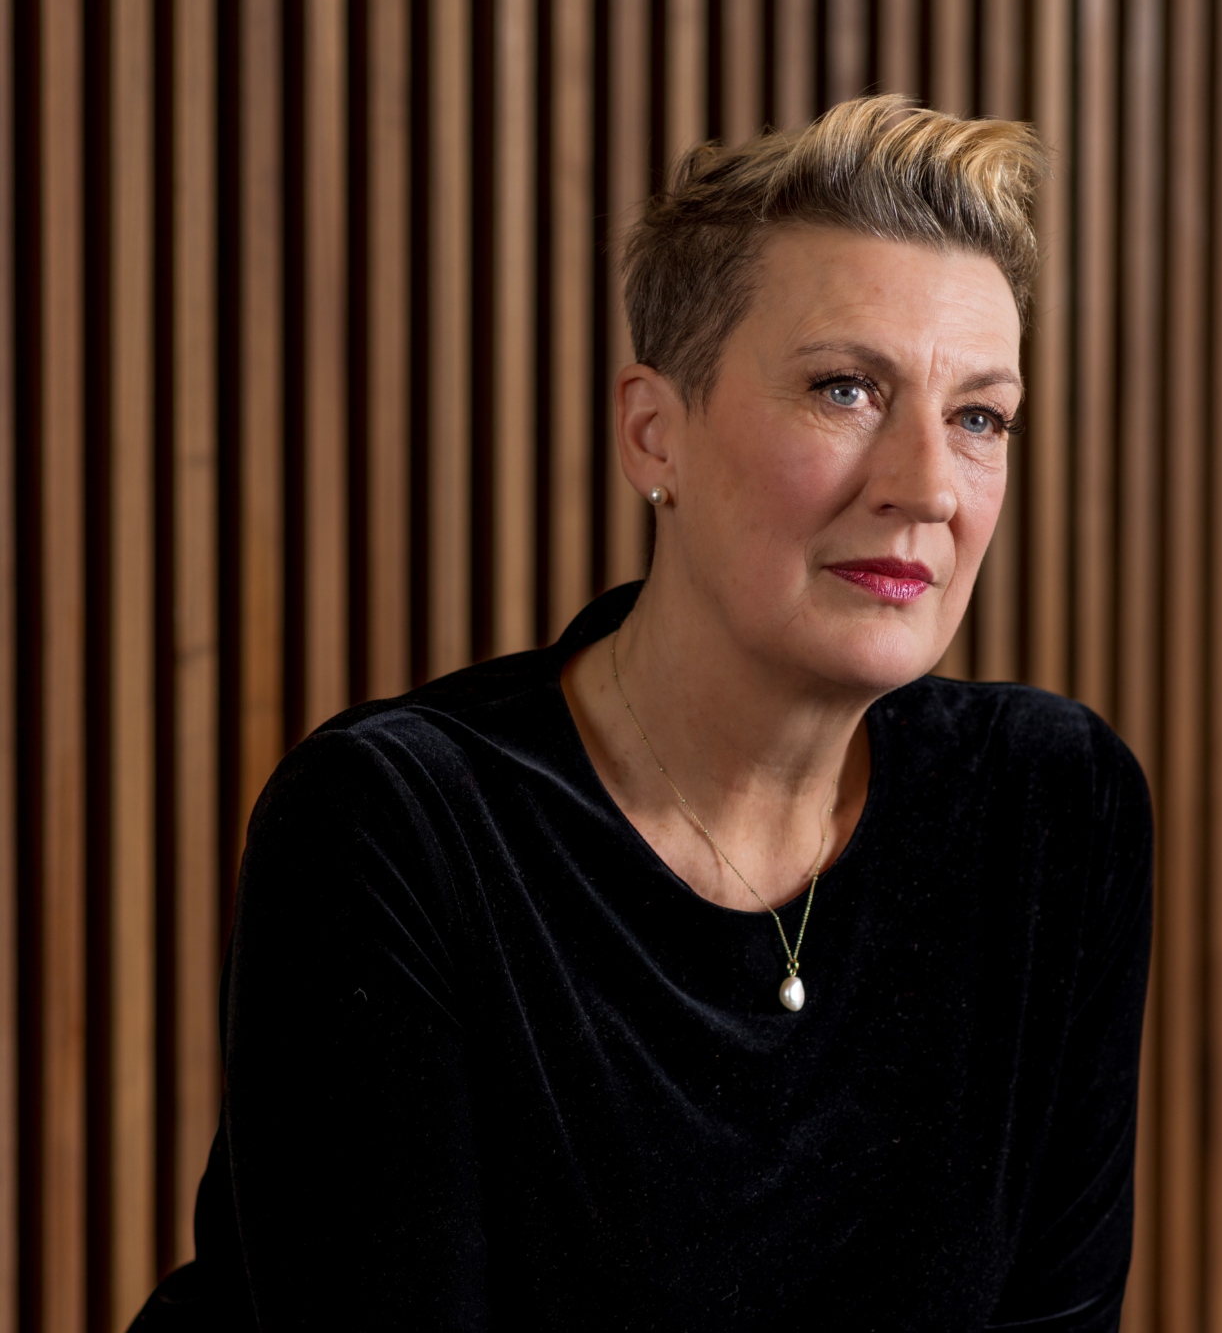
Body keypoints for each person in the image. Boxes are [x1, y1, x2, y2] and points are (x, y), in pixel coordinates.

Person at [130, 95, 1153, 1332]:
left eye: (979, 415)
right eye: (844, 389)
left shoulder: (1050, 808)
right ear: (653, 433)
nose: (928, 485)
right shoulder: (397, 826)